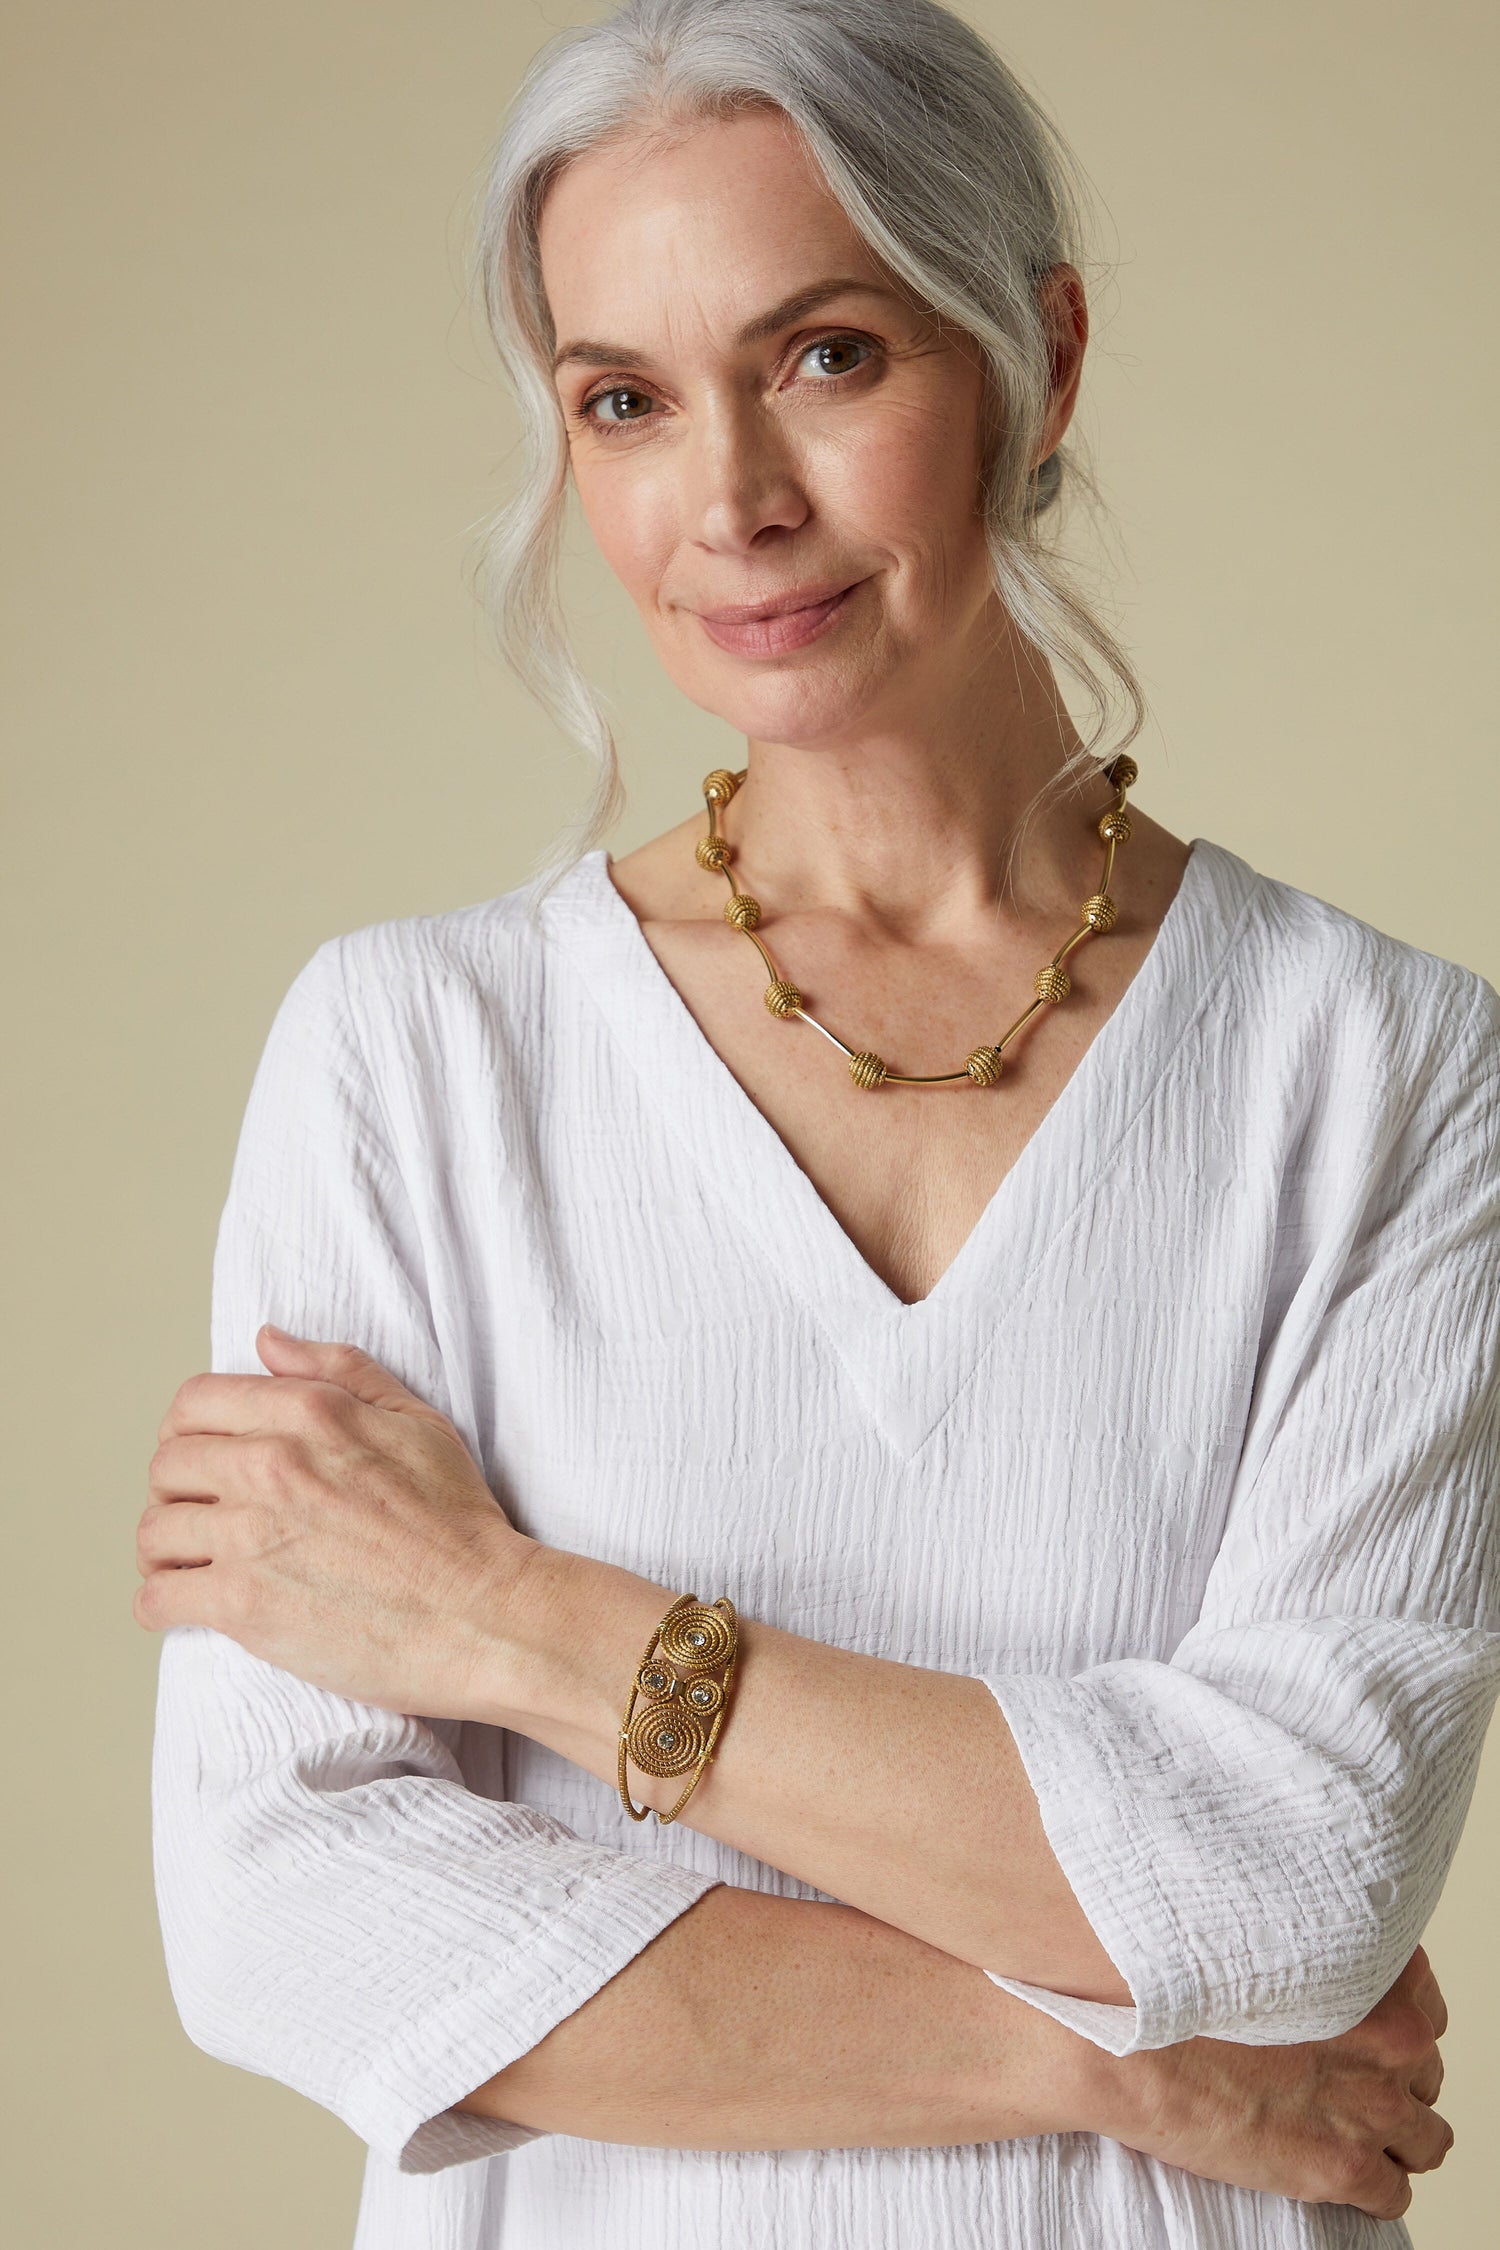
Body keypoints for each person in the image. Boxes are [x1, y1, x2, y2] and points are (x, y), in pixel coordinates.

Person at [137, 4, 1499, 2246]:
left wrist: (511, 1621)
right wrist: (1099, 2048)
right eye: (625, 402)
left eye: (834, 356)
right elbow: (289, 1912)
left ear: (1039, 361)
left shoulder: (1378, 1073)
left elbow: (1301, 1883)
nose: (733, 497)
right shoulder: (415, 1054)